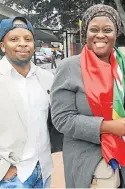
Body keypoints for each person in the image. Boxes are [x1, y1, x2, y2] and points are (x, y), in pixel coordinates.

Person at [51, 4, 125, 188]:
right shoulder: (69, 67)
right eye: (94, 29)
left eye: (107, 30)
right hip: (90, 163)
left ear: (116, 33)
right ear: (85, 33)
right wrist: (107, 127)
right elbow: (62, 119)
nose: (100, 35)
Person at [0, 16, 61, 188]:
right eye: (14, 39)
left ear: (34, 45)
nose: (22, 44)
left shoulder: (47, 78)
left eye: (28, 39)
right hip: (11, 177)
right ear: (3, 46)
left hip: (43, 171)